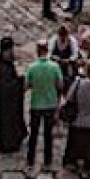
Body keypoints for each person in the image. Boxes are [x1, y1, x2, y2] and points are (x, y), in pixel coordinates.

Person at [61, 58, 90, 179]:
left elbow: (69, 97)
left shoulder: (79, 83)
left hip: (78, 119)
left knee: (75, 143)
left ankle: (72, 162)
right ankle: (88, 167)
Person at [24, 40, 63, 170]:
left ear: (37, 50)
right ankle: (47, 161)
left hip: (36, 104)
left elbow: (26, 86)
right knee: (48, 134)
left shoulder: (31, 67)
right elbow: (60, 85)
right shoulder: (55, 67)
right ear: (47, 50)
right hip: (50, 104)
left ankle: (30, 160)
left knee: (34, 134)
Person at [0, 37, 27, 153]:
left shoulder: (5, 63)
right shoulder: (1, 68)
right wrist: (20, 82)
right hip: (6, 102)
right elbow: (6, 86)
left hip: (10, 101)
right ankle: (9, 144)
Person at [48, 24, 80, 90]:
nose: (62, 37)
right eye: (61, 35)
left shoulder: (72, 40)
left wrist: (69, 60)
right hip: (56, 63)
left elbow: (75, 54)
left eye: (64, 35)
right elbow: (49, 52)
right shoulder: (54, 39)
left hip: (68, 63)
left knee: (71, 74)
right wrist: (54, 57)